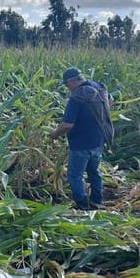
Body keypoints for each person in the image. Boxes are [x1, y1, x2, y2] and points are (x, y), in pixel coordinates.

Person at [49, 67, 109, 210]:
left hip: (81, 143)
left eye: (66, 84)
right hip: (99, 140)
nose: (67, 87)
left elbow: (67, 125)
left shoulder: (77, 96)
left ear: (73, 81)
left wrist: (54, 135)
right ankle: (97, 201)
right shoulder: (98, 87)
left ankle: (82, 205)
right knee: (94, 172)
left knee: (75, 175)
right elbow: (110, 100)